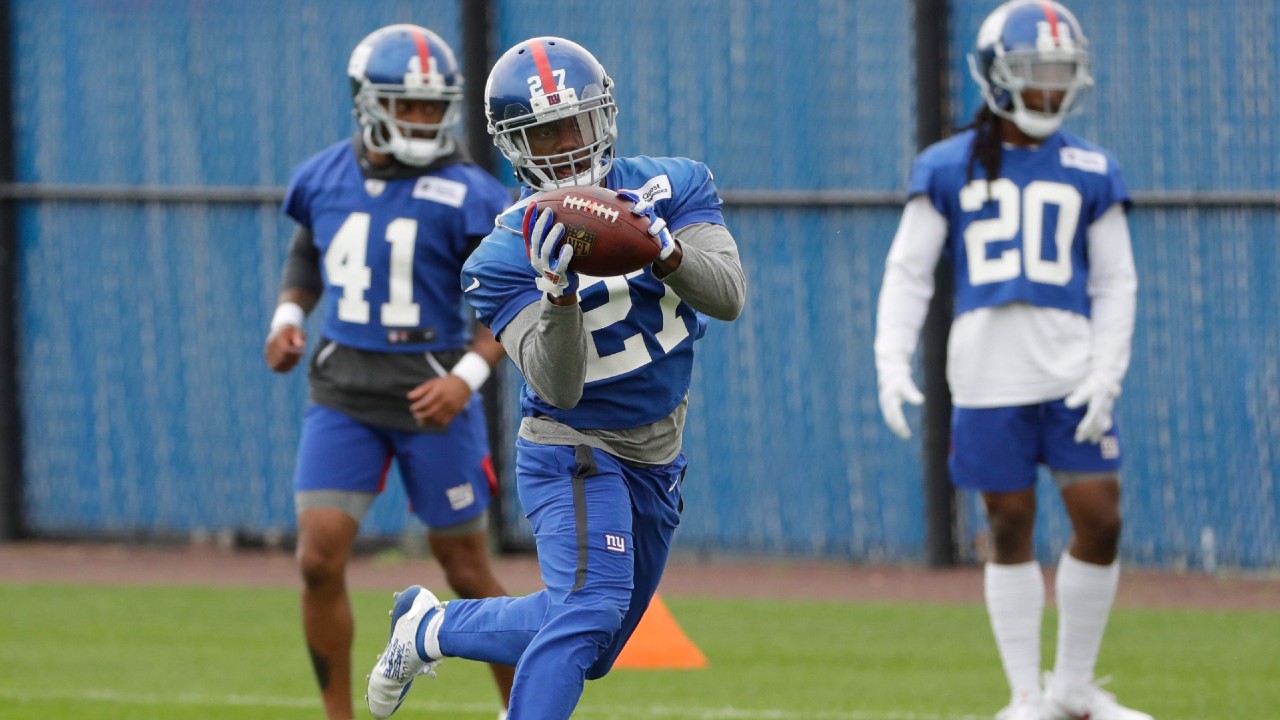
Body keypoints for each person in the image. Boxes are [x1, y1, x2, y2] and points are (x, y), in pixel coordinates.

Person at [364, 36, 746, 720]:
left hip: (657, 451)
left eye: (574, 124)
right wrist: (559, 297)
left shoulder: (675, 183)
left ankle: (429, 629)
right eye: (541, 133)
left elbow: (728, 296)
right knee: (590, 609)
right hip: (570, 443)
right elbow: (558, 386)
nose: (565, 147)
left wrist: (666, 251)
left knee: (592, 641)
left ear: (606, 116)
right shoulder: (500, 255)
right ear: (513, 146)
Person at [874, 3, 1149, 720]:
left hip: (1070, 369)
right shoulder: (946, 164)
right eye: (1036, 74)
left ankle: (1076, 687)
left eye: (1061, 75)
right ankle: (1028, 694)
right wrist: (890, 358)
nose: (1051, 90)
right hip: (988, 373)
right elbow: (909, 271)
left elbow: (1117, 281)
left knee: (1101, 515)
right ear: (997, 77)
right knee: (1007, 522)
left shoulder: (1092, 166)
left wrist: (1106, 372)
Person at [263, 24, 515, 720]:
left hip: (434, 395)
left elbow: (508, 301)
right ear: (368, 103)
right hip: (342, 391)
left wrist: (467, 374)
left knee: (466, 569)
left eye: (436, 106)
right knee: (316, 559)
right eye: (410, 104)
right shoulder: (322, 176)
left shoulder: (470, 192)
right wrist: (287, 315)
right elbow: (308, 257)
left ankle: (525, 712)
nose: (426, 119)